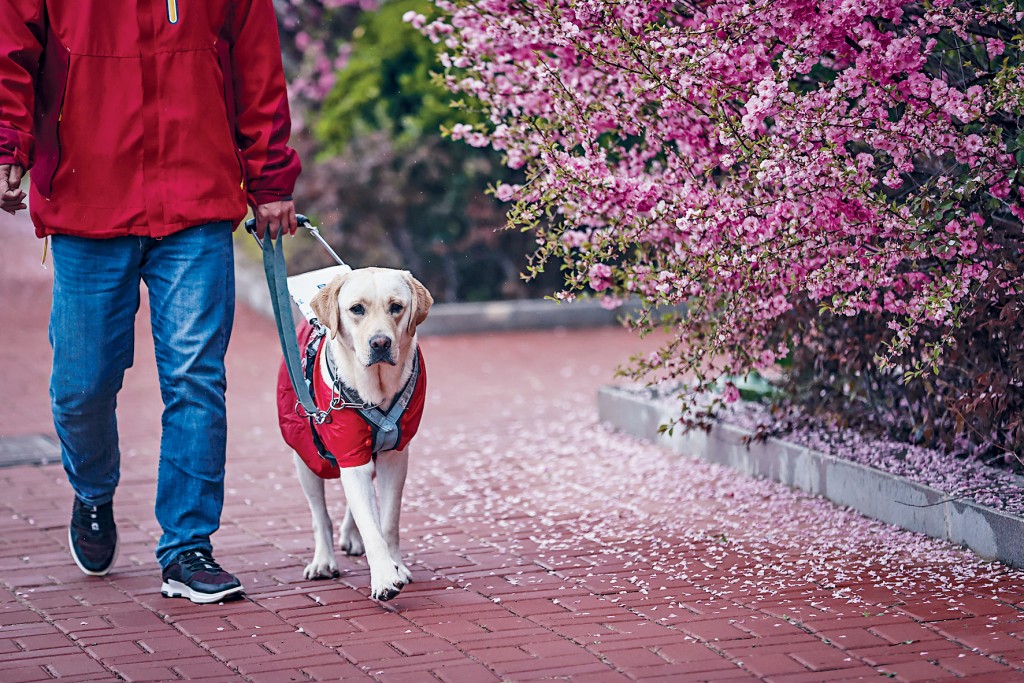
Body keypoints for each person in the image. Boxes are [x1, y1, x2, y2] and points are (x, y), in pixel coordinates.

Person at [0, 0, 301, 604]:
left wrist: (269, 179)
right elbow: (10, 48)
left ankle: (188, 548)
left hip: (197, 201)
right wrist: (11, 143)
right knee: (81, 386)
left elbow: (258, 67)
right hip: (87, 200)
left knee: (195, 377)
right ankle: (92, 489)